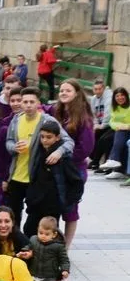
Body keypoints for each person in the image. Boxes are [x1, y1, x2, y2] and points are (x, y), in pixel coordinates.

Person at [4, 87, 73, 231]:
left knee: (34, 218)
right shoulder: (16, 119)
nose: (28, 105)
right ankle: (14, 242)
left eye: (32, 102)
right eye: (25, 102)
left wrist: (58, 152)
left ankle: (36, 241)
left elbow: (68, 142)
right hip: (16, 176)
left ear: (38, 103)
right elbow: (8, 141)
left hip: (35, 178)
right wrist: (14, 147)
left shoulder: (47, 120)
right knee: (13, 215)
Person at [23, 122, 84, 237]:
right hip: (37, 202)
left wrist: (67, 202)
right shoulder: (39, 152)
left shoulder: (63, 158)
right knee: (29, 229)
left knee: (49, 233)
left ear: (57, 138)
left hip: (52, 205)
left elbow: (76, 181)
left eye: (49, 137)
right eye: (42, 137)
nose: (45, 140)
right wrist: (30, 198)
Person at [53, 79, 94, 247]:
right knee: (53, 206)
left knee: (70, 210)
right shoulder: (58, 112)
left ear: (77, 93)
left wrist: (64, 157)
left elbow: (85, 148)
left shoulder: (83, 118)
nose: (63, 93)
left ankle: (66, 247)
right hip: (56, 168)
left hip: (73, 170)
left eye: (68, 90)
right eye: (61, 90)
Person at [20, 216, 69, 281]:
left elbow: (64, 260)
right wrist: (25, 251)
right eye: (41, 233)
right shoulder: (33, 240)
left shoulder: (58, 246)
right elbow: (28, 247)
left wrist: (65, 270)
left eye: (47, 234)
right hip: (33, 274)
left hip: (49, 278)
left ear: (54, 234)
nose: (43, 236)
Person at [88, 81, 116, 171]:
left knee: (103, 139)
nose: (98, 91)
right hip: (100, 124)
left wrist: (102, 125)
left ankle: (100, 162)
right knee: (92, 134)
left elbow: (108, 113)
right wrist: (96, 124)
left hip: (109, 124)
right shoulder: (93, 99)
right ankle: (93, 161)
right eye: (95, 89)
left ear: (103, 89)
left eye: (100, 89)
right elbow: (93, 114)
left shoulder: (109, 97)